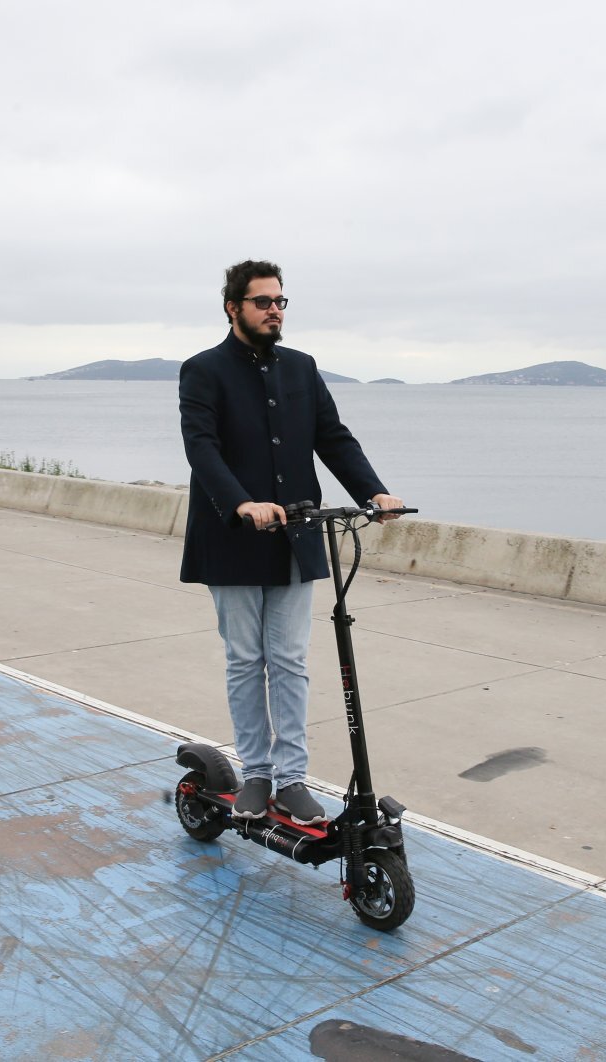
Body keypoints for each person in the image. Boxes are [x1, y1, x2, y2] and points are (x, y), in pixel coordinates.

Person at [179, 260, 403, 826]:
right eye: (262, 302)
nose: (274, 310)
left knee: (290, 661)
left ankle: (293, 778)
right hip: (233, 536)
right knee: (245, 659)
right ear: (233, 308)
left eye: (280, 301)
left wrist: (374, 491)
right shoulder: (202, 370)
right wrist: (240, 503)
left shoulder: (301, 368)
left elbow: (331, 437)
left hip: (296, 533)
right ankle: (255, 773)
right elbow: (201, 448)